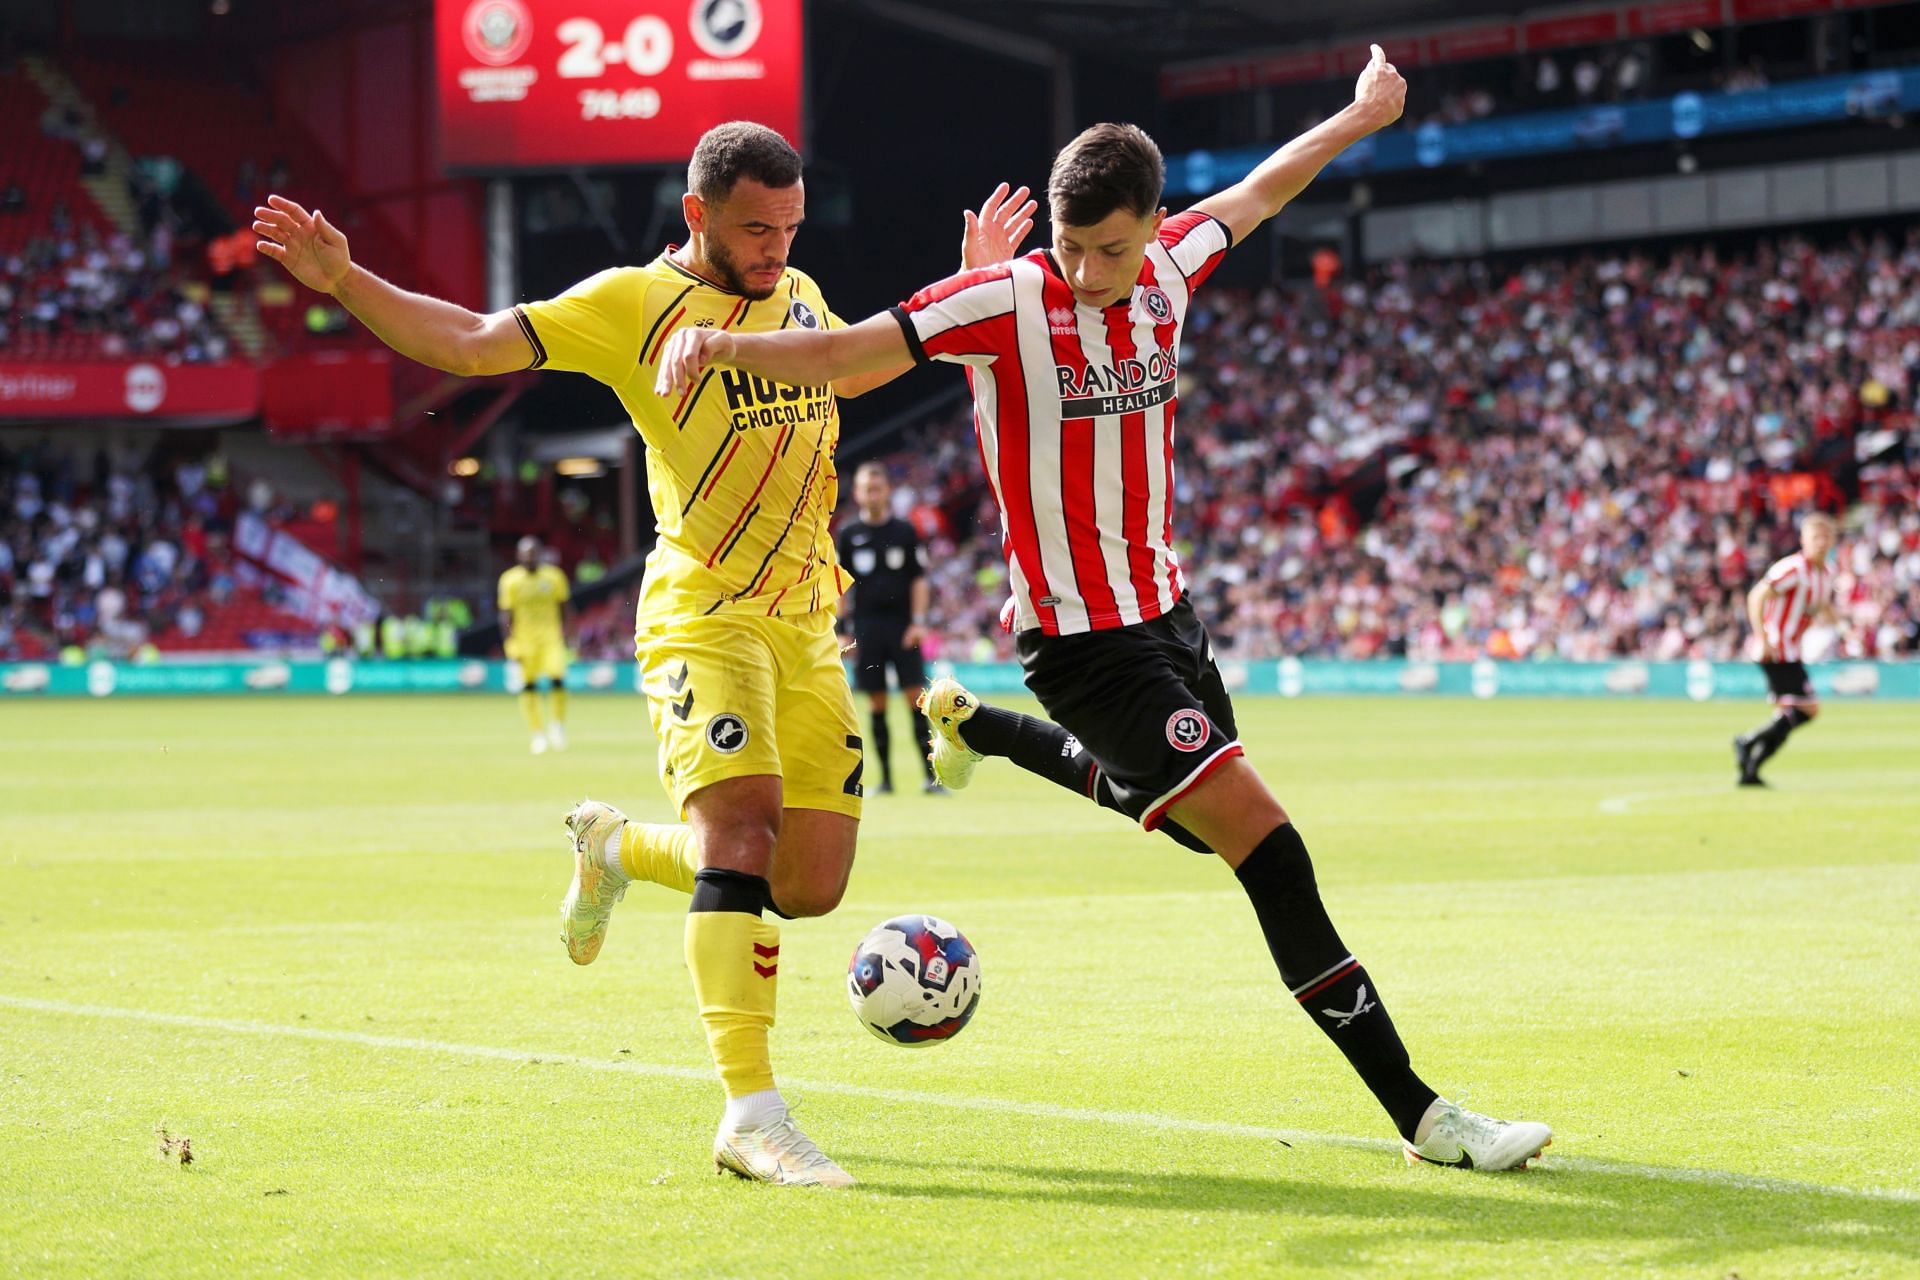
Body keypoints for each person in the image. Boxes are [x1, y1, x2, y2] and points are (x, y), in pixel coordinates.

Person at [657, 49, 1552, 1173]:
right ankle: (1429, 1117)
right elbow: (852, 357)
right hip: (1083, 647)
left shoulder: (1175, 262)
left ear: (1155, 225)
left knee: (1182, 819)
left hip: (1169, 619)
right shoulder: (1005, 296)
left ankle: (979, 732)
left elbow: (1267, 186)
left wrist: (1362, 114)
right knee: (1271, 853)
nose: (1085, 270)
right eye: (1069, 246)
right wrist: (726, 339)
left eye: (1110, 249)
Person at [254, 123, 1034, 1188]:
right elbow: (476, 341)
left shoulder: (797, 293)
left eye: (791, 227)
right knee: (743, 831)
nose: (775, 247)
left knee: (808, 883)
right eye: (757, 229)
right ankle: (751, 1113)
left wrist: (966, 287)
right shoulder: (631, 302)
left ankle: (615, 846)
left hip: (810, 621)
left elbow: (852, 371)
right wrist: (349, 282)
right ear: (697, 215)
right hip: (703, 610)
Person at [836, 461, 939, 794]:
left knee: (915, 699)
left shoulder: (904, 531)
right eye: (867, 488)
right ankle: (885, 780)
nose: (872, 494)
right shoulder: (849, 534)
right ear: (857, 493)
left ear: (887, 491)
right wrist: (842, 628)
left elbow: (919, 580)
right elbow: (841, 584)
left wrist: (919, 622)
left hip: (902, 627)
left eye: (878, 488)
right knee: (876, 703)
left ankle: (929, 778)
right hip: (866, 630)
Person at [1735, 512, 1838, 787]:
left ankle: (1750, 769)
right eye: (1815, 537)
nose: (1821, 542)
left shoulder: (1825, 574)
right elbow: (1757, 596)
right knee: (1808, 709)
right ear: (1803, 539)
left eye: (1826, 537)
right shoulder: (1792, 568)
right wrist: (1762, 636)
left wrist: (1842, 627)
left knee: (1790, 715)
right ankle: (1747, 742)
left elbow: (1821, 606)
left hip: (1792, 650)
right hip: (1776, 648)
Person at [497, 535, 572, 754]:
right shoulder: (509, 580)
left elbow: (566, 608)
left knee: (558, 680)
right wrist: (510, 643)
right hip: (524, 642)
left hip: (551, 640)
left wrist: (570, 635)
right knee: (529, 687)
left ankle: (557, 726)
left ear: (540, 554)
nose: (530, 558)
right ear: (519, 556)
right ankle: (537, 733)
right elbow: (505, 616)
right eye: (526, 554)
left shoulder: (554, 577)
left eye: (533, 553)